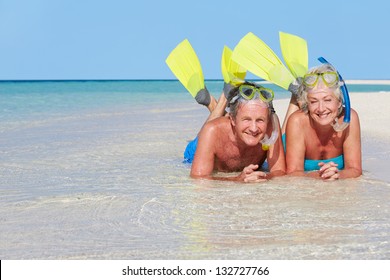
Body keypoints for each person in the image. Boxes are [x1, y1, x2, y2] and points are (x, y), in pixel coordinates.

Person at [184, 82, 286, 183]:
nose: (254, 128)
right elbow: (198, 177)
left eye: (260, 120)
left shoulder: (271, 129)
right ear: (232, 119)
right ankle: (218, 101)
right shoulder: (212, 131)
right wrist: (236, 179)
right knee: (206, 132)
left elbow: (280, 171)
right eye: (247, 119)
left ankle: (219, 102)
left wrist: (263, 177)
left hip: (232, 123)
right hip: (193, 155)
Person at [285, 63, 362, 180]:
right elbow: (293, 172)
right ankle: (296, 97)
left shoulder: (350, 118)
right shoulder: (297, 121)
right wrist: (322, 175)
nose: (321, 108)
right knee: (287, 128)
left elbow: (355, 169)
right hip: (291, 136)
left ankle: (299, 94)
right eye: (314, 101)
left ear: (340, 101)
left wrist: (338, 174)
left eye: (327, 100)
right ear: (308, 103)